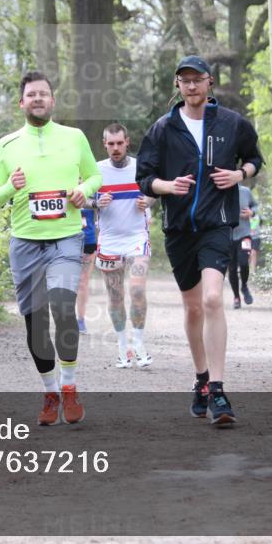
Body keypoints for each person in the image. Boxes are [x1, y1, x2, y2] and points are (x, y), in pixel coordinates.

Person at [136, 56, 263, 427]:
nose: (191, 86)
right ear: (177, 85)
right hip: (178, 231)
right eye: (184, 80)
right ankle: (202, 379)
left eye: (198, 80)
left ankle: (220, 390)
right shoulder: (163, 129)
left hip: (217, 225)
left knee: (212, 299)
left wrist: (239, 174)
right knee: (192, 308)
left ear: (209, 83)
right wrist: (167, 187)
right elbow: (145, 177)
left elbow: (255, 158)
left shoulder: (231, 123)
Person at [0, 71, 102, 426]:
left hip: (65, 237)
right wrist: (9, 187)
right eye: (31, 94)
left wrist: (86, 191)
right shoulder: (6, 145)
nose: (38, 99)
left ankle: (69, 385)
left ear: (52, 101)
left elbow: (95, 175)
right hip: (25, 243)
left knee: (64, 306)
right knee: (35, 323)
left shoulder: (74, 137)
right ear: (21, 103)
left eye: (44, 94)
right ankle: (50, 391)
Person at [92, 123, 155, 369]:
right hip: (108, 240)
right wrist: (96, 202)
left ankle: (138, 342)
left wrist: (147, 201)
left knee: (137, 289)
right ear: (104, 144)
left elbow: (156, 191)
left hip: (137, 236)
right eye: (111, 144)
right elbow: (79, 198)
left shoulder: (142, 167)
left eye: (120, 143)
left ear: (127, 142)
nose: (116, 148)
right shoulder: (96, 171)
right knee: (115, 295)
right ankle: (122, 346)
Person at [229, 185, 258, 309]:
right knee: (232, 268)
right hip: (227, 236)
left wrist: (252, 212)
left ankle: (244, 286)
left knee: (244, 262)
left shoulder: (245, 191)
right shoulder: (219, 192)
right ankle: (236, 296)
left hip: (245, 234)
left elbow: (256, 206)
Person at [75, 208, 98, 336]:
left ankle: (81, 320)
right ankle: (65, 318)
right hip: (65, 240)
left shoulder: (92, 190)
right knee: (65, 281)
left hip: (88, 241)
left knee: (82, 283)